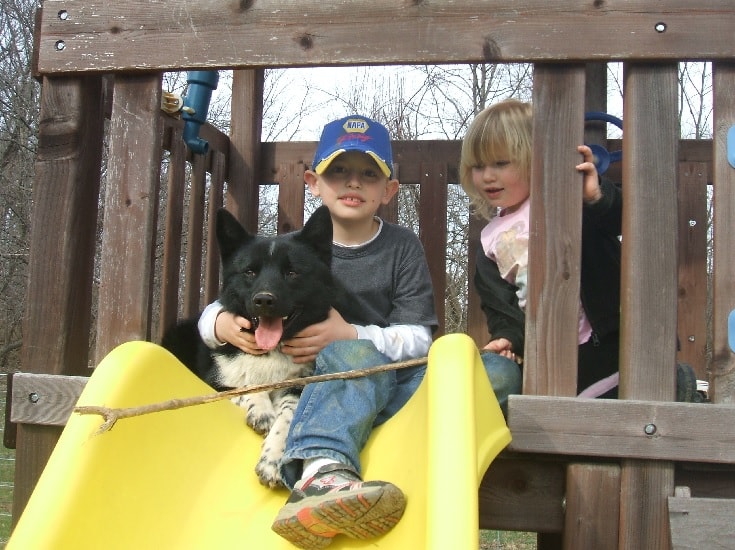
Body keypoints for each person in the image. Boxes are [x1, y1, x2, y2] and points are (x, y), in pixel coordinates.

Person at [198, 115, 520, 549]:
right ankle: (322, 468)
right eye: (338, 171)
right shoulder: (294, 250)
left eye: (369, 174)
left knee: (496, 371)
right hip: (331, 377)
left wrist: (350, 333)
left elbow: (419, 338)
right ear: (314, 182)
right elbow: (236, 298)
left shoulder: (401, 246)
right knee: (350, 362)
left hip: (392, 376)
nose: (353, 182)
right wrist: (217, 324)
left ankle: (379, 424)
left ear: (388, 190)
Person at [460, 99, 624, 397]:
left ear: (536, 159)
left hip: (610, 340)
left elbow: (621, 220)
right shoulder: (489, 241)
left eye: (500, 163)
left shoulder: (566, 199)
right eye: (478, 166)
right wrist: (508, 339)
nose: (487, 176)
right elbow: (503, 308)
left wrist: (596, 196)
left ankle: (681, 384)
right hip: (549, 353)